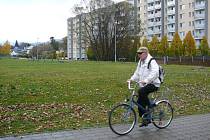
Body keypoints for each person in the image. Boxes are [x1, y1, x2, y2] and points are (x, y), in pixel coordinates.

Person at [127, 47, 160, 127]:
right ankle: (146, 119)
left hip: (154, 84)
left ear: (145, 53)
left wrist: (146, 80)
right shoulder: (141, 62)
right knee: (139, 103)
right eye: (138, 53)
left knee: (141, 91)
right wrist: (131, 79)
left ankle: (150, 106)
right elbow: (137, 73)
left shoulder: (152, 61)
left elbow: (155, 72)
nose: (139, 55)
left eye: (140, 53)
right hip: (144, 85)